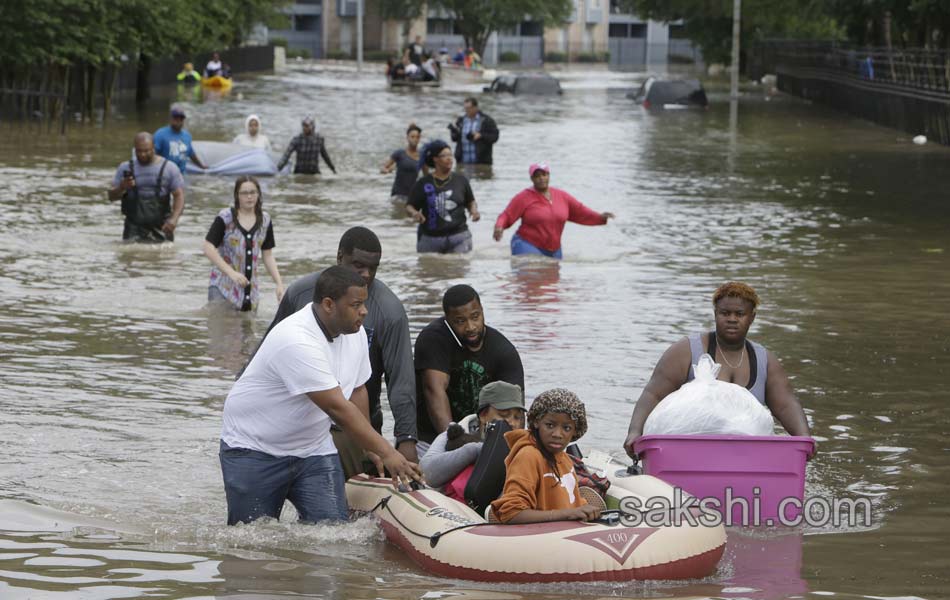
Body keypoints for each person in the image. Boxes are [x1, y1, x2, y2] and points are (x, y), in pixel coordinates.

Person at [219, 266, 423, 525]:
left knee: (333, 534)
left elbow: (357, 389)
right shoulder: (297, 340)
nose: (365, 311)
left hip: (313, 450)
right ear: (329, 304)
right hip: (255, 449)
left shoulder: (356, 333)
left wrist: (369, 446)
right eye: (356, 304)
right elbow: (337, 408)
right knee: (251, 543)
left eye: (365, 303)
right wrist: (388, 453)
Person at [257, 227, 420, 473]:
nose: (365, 274)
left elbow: (401, 381)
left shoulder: (390, 311)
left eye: (373, 268)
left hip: (356, 427)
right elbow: (264, 356)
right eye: (357, 265)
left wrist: (406, 439)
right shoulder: (300, 294)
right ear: (339, 257)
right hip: (294, 425)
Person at [623, 282, 812, 459]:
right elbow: (653, 394)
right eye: (725, 313)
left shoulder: (764, 360)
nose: (732, 319)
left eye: (739, 314)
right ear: (715, 314)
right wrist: (635, 432)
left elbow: (786, 404)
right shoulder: (686, 351)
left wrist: (804, 439)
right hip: (688, 453)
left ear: (752, 317)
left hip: (745, 456)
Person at [414, 284, 524, 448]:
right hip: (430, 439)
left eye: (475, 317)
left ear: (482, 311)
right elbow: (434, 390)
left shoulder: (503, 350)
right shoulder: (433, 339)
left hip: (482, 438)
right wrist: (453, 441)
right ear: (447, 319)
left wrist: (514, 448)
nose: (470, 327)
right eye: (460, 321)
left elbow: (516, 410)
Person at [490, 389, 601, 523]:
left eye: (566, 428)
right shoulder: (528, 456)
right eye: (550, 425)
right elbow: (511, 514)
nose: (557, 434)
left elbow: (572, 503)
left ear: (575, 431)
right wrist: (568, 514)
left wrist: (583, 510)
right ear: (537, 422)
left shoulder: (565, 459)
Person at [420, 381, 525, 495]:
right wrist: (475, 450)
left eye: (517, 417)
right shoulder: (453, 434)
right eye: (504, 415)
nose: (512, 423)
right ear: (483, 414)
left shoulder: (523, 447)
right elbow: (426, 475)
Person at [493, 162, 615, 259]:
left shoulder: (561, 196)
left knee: (552, 285)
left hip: (554, 249)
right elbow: (506, 215)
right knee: (530, 280)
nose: (541, 178)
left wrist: (600, 217)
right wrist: (499, 226)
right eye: (537, 176)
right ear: (531, 179)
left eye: (544, 174)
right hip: (527, 244)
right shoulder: (524, 197)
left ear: (549, 175)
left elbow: (580, 211)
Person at [202, 176, 284, 311]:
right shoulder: (225, 217)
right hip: (222, 288)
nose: (249, 197)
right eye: (244, 193)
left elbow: (267, 255)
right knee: (220, 328)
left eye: (253, 192)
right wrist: (232, 273)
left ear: (258, 194)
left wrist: (279, 283)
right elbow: (207, 247)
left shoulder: (265, 220)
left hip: (251, 292)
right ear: (237, 195)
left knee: (247, 330)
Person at [107, 132, 185, 243]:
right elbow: (111, 197)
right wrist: (122, 187)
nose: (142, 154)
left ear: (154, 148)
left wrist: (174, 219)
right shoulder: (125, 167)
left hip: (162, 227)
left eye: (146, 151)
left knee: (165, 259)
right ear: (134, 149)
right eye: (139, 151)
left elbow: (179, 196)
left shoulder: (169, 168)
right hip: (133, 229)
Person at [405, 140, 480, 254]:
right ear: (435, 159)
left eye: (450, 155)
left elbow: (470, 201)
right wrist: (415, 213)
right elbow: (409, 206)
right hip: (430, 239)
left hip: (459, 237)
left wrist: (474, 211)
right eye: (444, 155)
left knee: (458, 267)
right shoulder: (423, 183)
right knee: (429, 269)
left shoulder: (461, 180)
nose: (449, 158)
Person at [153, 106, 208, 177]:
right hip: (164, 174)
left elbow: (191, 153)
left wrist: (201, 166)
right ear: (171, 119)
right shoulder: (160, 134)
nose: (178, 120)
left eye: (181, 118)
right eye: (176, 117)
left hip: (181, 174)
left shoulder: (187, 136)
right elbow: (153, 153)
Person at [449, 97, 498, 165]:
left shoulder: (487, 120)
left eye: (469, 108)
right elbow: (454, 139)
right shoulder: (461, 121)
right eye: (465, 108)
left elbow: (495, 137)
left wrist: (481, 135)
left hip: (481, 162)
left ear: (476, 107)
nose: (467, 110)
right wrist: (454, 132)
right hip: (462, 161)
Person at [380, 123, 421, 203]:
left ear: (420, 139)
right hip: (397, 195)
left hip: (412, 196)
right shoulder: (399, 153)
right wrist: (386, 170)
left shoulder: (421, 156)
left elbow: (426, 176)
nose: (415, 139)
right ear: (407, 138)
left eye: (417, 137)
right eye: (412, 137)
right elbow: (383, 168)